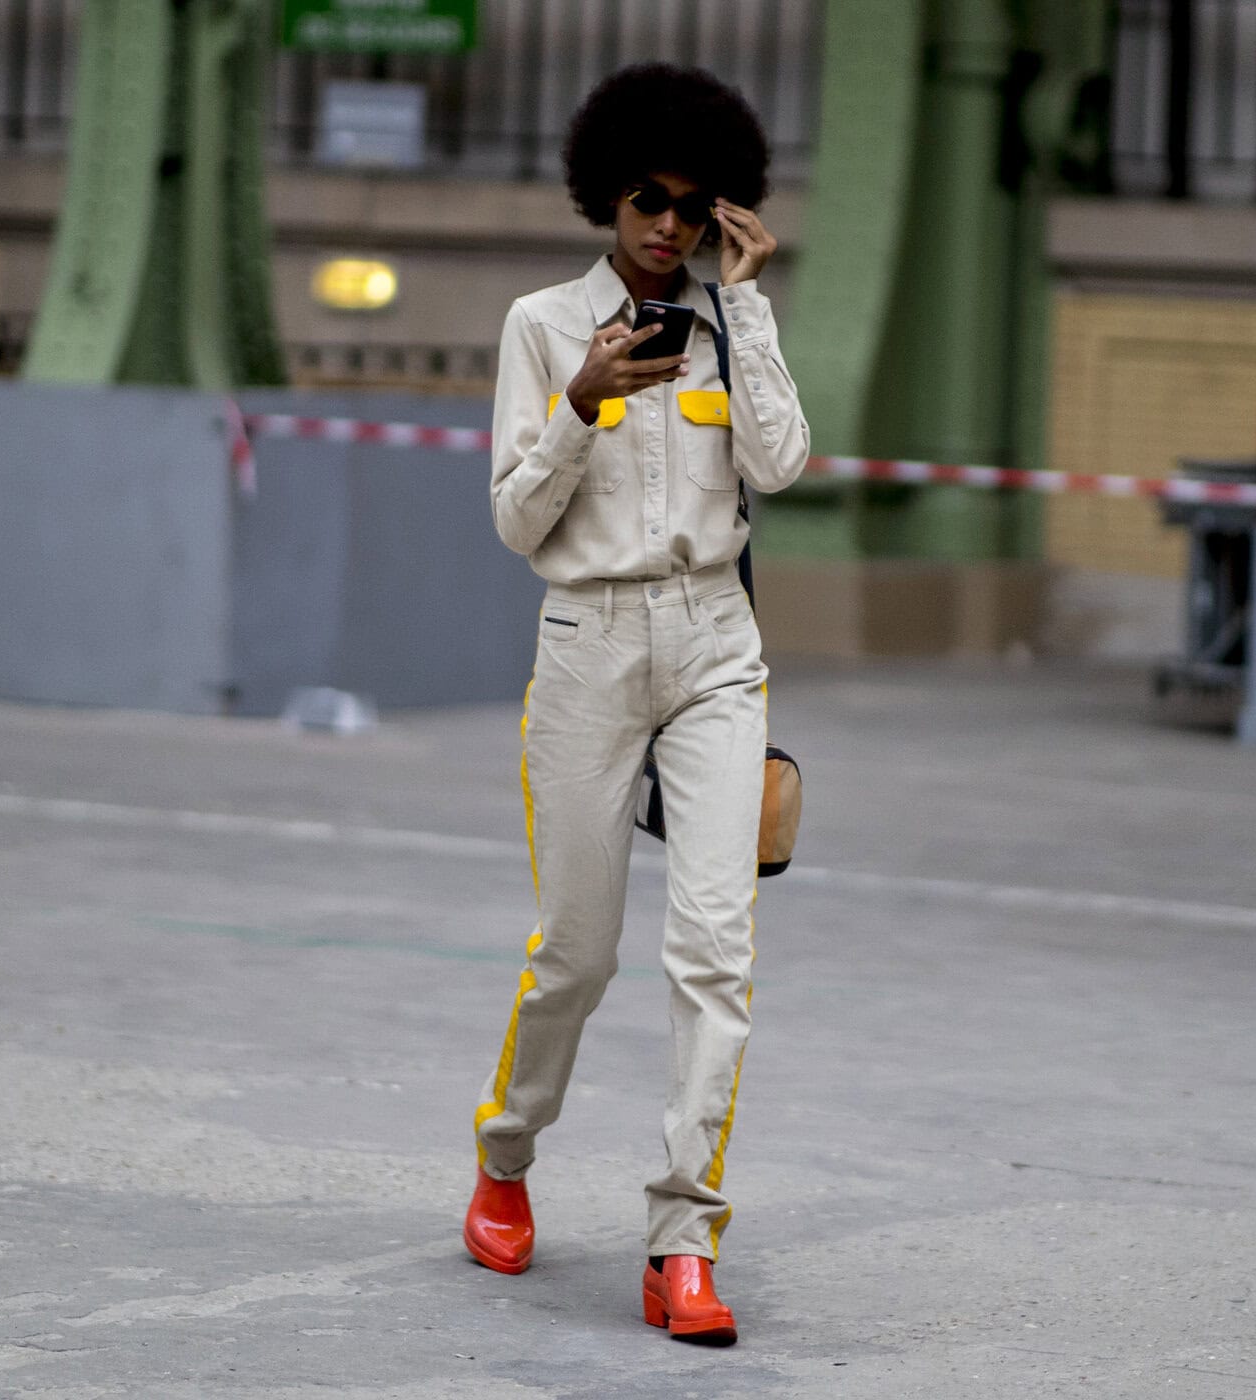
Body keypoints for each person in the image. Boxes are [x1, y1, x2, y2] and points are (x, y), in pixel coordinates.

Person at [463, 64, 809, 1347]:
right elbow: (514, 520)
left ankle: (684, 1236)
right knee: (578, 949)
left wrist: (752, 310)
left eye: (691, 202)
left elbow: (782, 462)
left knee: (716, 955)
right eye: (644, 199)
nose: (666, 223)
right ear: (604, 196)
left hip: (718, 642)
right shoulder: (545, 324)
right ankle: (505, 1154)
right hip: (590, 646)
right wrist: (583, 404)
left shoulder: (730, 321)